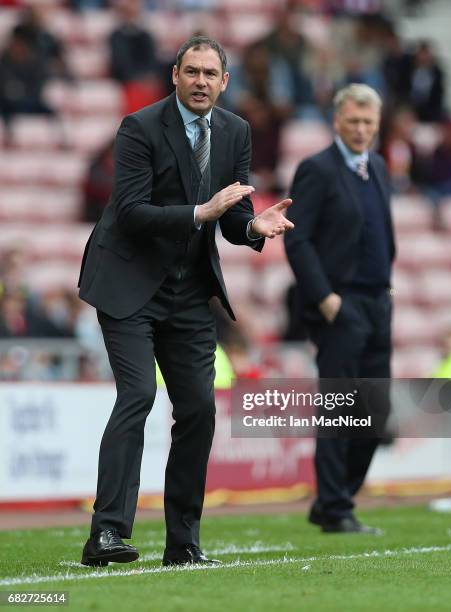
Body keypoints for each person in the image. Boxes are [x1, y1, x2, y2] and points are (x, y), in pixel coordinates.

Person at [78, 36, 293, 567]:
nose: (200, 82)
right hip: (128, 283)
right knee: (138, 395)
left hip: (191, 291)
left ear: (224, 82)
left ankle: (184, 543)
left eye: (210, 74)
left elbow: (233, 216)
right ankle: (106, 534)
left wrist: (253, 228)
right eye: (191, 71)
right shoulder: (139, 127)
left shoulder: (237, 131)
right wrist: (202, 212)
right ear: (175, 74)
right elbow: (129, 211)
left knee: (198, 407)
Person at [284, 84, 395, 534]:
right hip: (339, 304)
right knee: (339, 408)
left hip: (377, 302)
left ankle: (335, 499)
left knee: (377, 412)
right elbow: (297, 237)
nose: (362, 129)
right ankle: (335, 506)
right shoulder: (317, 169)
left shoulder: (380, 168)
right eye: (354, 121)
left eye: (369, 122)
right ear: (337, 121)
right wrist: (326, 298)